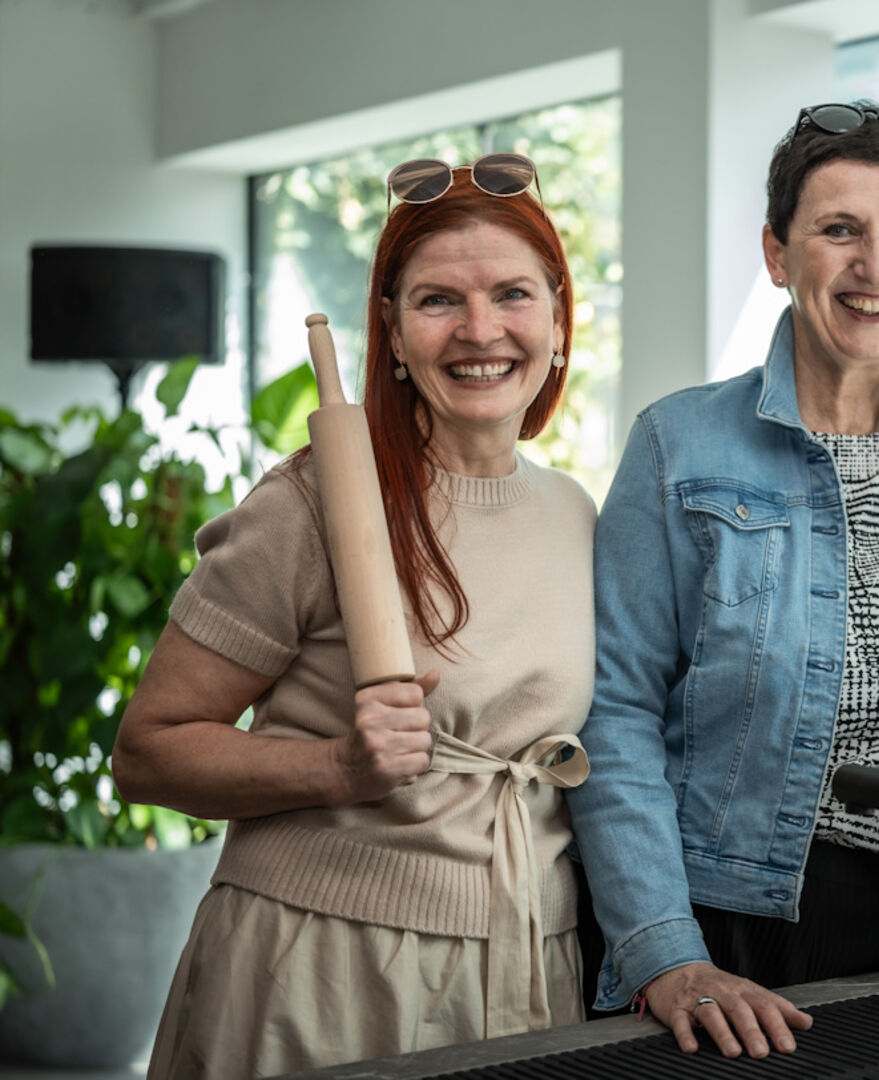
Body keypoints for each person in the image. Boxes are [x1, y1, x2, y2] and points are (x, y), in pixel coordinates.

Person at [566, 101, 879, 1060]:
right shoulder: (680, 442)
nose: (875, 267)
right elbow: (611, 713)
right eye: (839, 231)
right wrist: (667, 955)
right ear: (778, 256)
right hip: (723, 927)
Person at [112, 152, 596, 1076]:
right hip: (323, 972)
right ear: (394, 332)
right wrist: (336, 764)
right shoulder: (309, 504)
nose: (480, 330)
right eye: (438, 301)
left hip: (530, 968)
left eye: (513, 294)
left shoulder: (577, 513)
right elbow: (147, 749)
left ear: (561, 318)